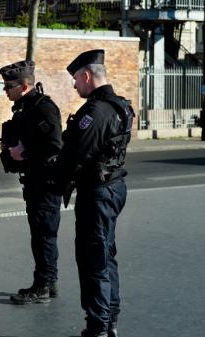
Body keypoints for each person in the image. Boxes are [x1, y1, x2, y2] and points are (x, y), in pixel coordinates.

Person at [57, 49, 134, 337]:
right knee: (105, 254)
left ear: (87, 75)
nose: (75, 85)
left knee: (93, 259)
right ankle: (109, 318)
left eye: (76, 78)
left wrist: (54, 180)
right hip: (113, 187)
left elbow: (76, 154)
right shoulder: (122, 106)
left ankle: (98, 326)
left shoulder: (95, 111)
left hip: (97, 192)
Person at [0, 60, 63, 304]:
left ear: (24, 86)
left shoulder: (43, 108)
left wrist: (23, 153)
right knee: (40, 234)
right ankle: (48, 281)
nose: (6, 90)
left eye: (9, 86)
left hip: (46, 182)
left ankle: (43, 286)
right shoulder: (24, 107)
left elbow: (55, 147)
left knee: (44, 234)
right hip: (35, 181)